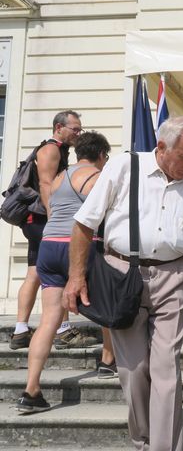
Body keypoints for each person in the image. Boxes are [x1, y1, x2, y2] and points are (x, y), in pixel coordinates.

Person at [62, 116, 183, 451]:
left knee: (165, 370)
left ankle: (163, 448)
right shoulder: (124, 167)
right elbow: (83, 224)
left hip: (173, 278)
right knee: (134, 371)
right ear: (162, 148)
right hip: (123, 277)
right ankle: (143, 440)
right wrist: (75, 277)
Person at [15, 132, 115, 413]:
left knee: (48, 320)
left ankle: (30, 390)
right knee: (103, 305)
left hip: (48, 248)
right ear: (101, 155)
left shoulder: (59, 177)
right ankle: (108, 362)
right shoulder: (95, 176)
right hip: (77, 249)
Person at [10, 110, 97, 351]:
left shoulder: (57, 150)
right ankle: (63, 330)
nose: (79, 133)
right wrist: (54, 219)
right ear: (59, 128)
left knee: (35, 273)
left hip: (36, 220)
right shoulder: (50, 149)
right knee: (58, 270)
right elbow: (47, 185)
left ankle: (20, 331)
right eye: (75, 129)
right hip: (41, 220)